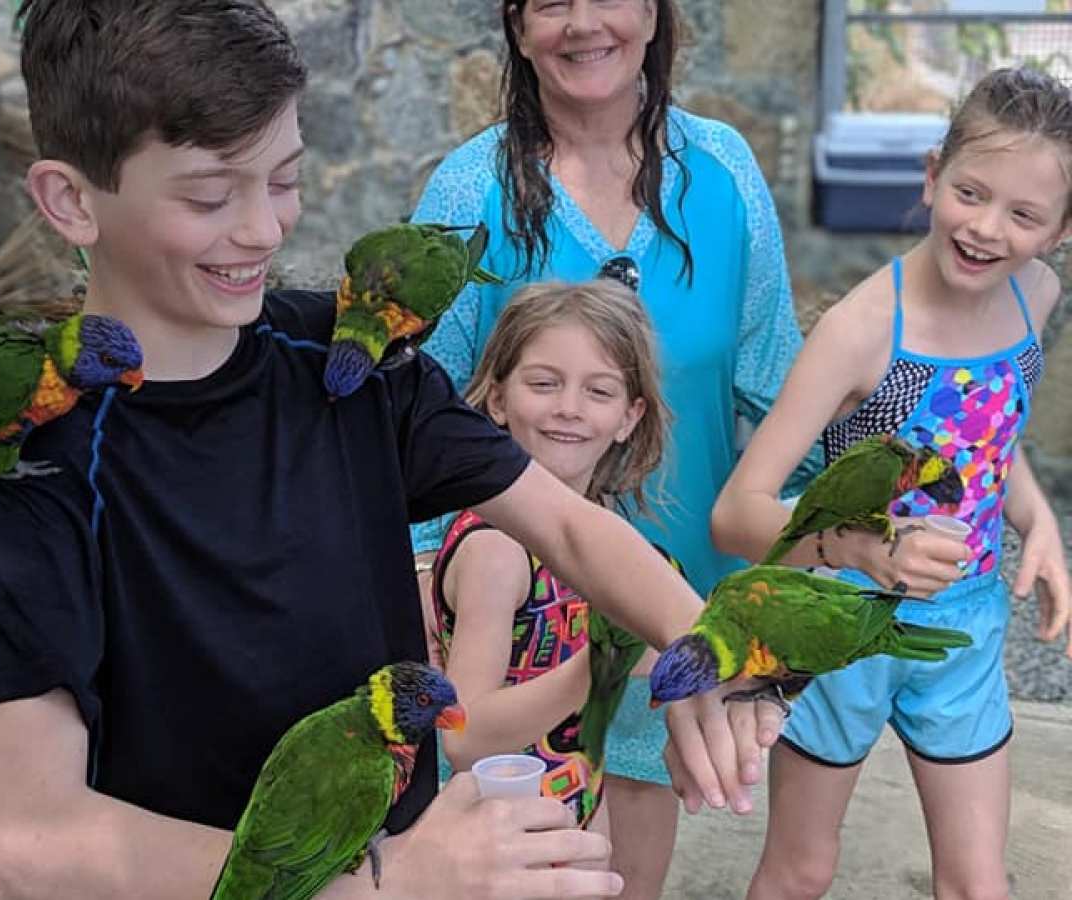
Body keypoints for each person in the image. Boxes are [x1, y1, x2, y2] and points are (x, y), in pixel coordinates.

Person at [0, 3, 773, 899]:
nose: (265, 230)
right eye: (208, 195)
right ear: (72, 200)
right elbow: (30, 839)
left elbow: (573, 531)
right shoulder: (37, 463)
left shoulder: (353, 367)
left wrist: (703, 650)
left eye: (285, 179)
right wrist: (385, 883)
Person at [410, 1, 814, 893]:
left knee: (629, 873)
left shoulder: (725, 172)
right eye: (552, 2)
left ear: (655, 15)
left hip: (678, 599)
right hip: (518, 626)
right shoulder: (466, 191)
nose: (585, 23)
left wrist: (843, 526)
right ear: (516, 27)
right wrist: (423, 596)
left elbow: (775, 377)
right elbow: (413, 413)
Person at [711, 66, 1072, 900]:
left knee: (981, 884)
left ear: (1059, 230)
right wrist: (870, 547)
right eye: (971, 193)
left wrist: (1038, 521)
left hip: (964, 635)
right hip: (840, 623)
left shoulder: (1036, 297)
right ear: (931, 172)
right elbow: (739, 513)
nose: (987, 229)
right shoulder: (862, 333)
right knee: (803, 869)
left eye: (1024, 215)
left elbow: (986, 437)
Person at [432, 279, 671, 845]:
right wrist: (595, 669)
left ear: (630, 416)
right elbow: (463, 738)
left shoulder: (601, 530)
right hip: (491, 844)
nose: (568, 408)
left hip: (572, 818)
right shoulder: (498, 549)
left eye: (599, 391)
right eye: (544, 383)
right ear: (497, 399)